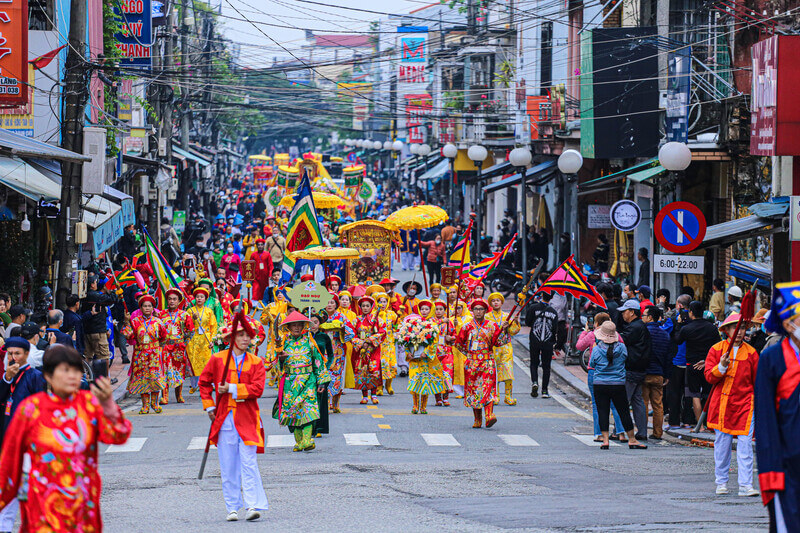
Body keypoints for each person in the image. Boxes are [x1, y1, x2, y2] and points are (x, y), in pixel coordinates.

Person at [0, 346, 131, 531]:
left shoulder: (89, 405)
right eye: (65, 370)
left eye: (76, 370)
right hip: (43, 499)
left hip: (81, 500)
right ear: (48, 376)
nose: (72, 376)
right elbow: (11, 458)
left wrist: (109, 406)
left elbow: (118, 435)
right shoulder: (31, 409)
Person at [199, 314, 269, 522]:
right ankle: (231, 507)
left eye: (248, 335)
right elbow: (204, 383)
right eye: (241, 335)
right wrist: (210, 405)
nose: (245, 339)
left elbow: (257, 389)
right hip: (224, 418)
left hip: (247, 418)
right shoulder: (218, 359)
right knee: (228, 465)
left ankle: (252, 505)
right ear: (231, 338)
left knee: (248, 462)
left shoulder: (257, 361)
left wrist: (231, 388)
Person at [755, 282, 800, 531]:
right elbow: (765, 420)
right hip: (788, 462)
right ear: (788, 323)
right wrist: (771, 469)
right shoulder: (772, 359)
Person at [704, 313, 759, 497]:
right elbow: (709, 377)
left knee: (745, 447)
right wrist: (721, 367)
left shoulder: (751, 353)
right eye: (735, 327)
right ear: (726, 330)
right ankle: (721, 482)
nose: (739, 331)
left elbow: (757, 381)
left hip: (745, 405)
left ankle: (746, 485)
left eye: (742, 327)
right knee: (722, 446)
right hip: (722, 405)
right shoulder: (716, 349)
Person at [0, 336, 47, 530]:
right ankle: (4, 527)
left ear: (27, 355)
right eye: (10, 354)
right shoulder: (5, 377)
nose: (13, 358)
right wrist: (6, 379)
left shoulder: (35, 376)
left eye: (17, 353)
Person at [273, 311, 331, 451]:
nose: (297, 328)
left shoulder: (309, 341)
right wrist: (281, 359)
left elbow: (318, 361)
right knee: (293, 412)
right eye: (294, 325)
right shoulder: (283, 343)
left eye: (300, 325)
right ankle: (299, 442)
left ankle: (306, 440)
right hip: (290, 382)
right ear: (289, 327)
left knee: (308, 409)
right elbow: (275, 365)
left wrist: (321, 381)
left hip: (308, 381)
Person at [449, 299, 510, 429]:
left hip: (487, 361)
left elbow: (498, 342)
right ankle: (477, 419)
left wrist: (504, 330)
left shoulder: (492, 326)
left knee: (488, 387)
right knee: (473, 389)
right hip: (471, 363)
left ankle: (489, 415)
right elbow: (459, 344)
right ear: (472, 311)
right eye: (476, 309)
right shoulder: (467, 327)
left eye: (481, 309)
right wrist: (470, 354)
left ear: (485, 311)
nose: (478, 312)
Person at [589, 321, 647, 449]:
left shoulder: (597, 349)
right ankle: (631, 439)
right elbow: (625, 359)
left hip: (600, 384)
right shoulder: (621, 348)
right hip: (618, 383)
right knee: (624, 411)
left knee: (602, 411)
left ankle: (605, 441)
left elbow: (592, 364)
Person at [576, 313, 626, 442]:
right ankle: (621, 433)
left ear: (597, 323)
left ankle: (599, 434)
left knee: (597, 405)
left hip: (596, 374)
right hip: (615, 374)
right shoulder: (616, 336)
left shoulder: (593, 335)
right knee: (616, 405)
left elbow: (579, 346)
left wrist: (585, 332)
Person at [674, 300, 721, 427]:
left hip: (691, 365)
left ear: (691, 313)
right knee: (708, 394)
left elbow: (677, 340)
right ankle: (710, 423)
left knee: (694, 394)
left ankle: (699, 425)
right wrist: (706, 361)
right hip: (707, 364)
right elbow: (718, 346)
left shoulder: (686, 329)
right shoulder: (712, 328)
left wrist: (678, 325)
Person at [122, 294, 168, 414]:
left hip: (154, 354)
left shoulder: (158, 322)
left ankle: (155, 403)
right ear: (141, 308)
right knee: (143, 379)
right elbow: (129, 335)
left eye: (149, 306)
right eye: (144, 306)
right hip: (140, 355)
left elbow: (164, 336)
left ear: (153, 308)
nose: (147, 308)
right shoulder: (135, 321)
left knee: (155, 378)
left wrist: (158, 349)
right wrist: (127, 322)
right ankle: (145, 405)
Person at [618, 298, 651, 441]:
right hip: (640, 369)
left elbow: (622, 340)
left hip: (631, 369)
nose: (622, 315)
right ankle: (642, 431)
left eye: (624, 312)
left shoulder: (634, 327)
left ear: (632, 312)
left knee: (623, 401)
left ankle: (619, 431)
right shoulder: (640, 326)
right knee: (637, 400)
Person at [406, 301, 446, 414]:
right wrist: (407, 352)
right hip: (414, 358)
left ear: (430, 310)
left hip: (426, 360)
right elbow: (406, 339)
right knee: (414, 380)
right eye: (422, 309)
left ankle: (423, 406)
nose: (424, 311)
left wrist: (427, 352)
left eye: (426, 309)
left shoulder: (433, 324)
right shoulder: (413, 323)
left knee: (424, 382)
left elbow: (435, 341)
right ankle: (415, 405)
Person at [160, 288, 194, 404]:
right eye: (170, 299)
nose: (172, 301)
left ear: (179, 301)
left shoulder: (184, 315)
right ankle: (165, 397)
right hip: (165, 347)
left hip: (179, 347)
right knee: (165, 371)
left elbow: (191, 331)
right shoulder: (161, 314)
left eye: (174, 299)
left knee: (178, 370)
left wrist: (185, 342)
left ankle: (178, 395)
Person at [641, 306, 670, 440]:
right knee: (658, 405)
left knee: (643, 403)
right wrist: (667, 374)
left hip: (644, 372)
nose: (643, 318)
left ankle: (642, 431)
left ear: (650, 317)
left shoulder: (643, 332)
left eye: (645, 315)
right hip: (658, 373)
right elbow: (668, 356)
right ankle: (658, 433)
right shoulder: (665, 334)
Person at [487, 292, 520, 405]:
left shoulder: (507, 316)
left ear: (501, 302)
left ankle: (508, 396)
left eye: (498, 300)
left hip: (506, 347)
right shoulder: (487, 317)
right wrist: (500, 328)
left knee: (507, 371)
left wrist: (514, 322)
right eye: (493, 301)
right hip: (493, 347)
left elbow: (513, 332)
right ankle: (494, 395)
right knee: (493, 371)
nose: (496, 302)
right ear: (491, 303)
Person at [323, 295, 354, 413]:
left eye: (332, 302)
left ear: (336, 304)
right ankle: (325, 403)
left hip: (337, 352)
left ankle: (335, 403)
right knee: (324, 376)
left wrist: (342, 328)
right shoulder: (321, 316)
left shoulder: (341, 317)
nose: (330, 304)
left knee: (336, 376)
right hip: (323, 351)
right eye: (327, 302)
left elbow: (351, 332)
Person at [351, 296, 384, 404]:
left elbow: (382, 332)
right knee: (362, 371)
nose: (365, 308)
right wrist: (361, 343)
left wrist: (370, 340)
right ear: (360, 307)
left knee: (373, 371)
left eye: (367, 306)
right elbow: (351, 334)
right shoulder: (356, 320)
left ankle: (374, 394)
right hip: (361, 351)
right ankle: (364, 395)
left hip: (373, 349)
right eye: (363, 306)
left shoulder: (377, 319)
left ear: (371, 307)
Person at [525, 292, 558, 398]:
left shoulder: (533, 307)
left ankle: (535, 382)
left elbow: (528, 322)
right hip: (548, 342)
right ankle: (544, 390)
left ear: (542, 295)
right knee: (546, 366)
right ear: (552, 297)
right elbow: (554, 329)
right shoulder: (553, 312)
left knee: (534, 363)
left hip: (534, 340)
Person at [187, 286, 219, 393]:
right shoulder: (190, 310)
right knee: (194, 361)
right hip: (193, 339)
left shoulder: (209, 311)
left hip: (206, 338)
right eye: (197, 297)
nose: (199, 299)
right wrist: (192, 318)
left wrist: (212, 340)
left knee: (207, 361)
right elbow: (186, 325)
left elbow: (213, 326)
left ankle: (209, 383)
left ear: (205, 299)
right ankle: (194, 385)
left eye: (202, 297)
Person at [309, 312, 333, 435]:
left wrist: (326, 367)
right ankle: (308, 426)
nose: (313, 325)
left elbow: (331, 354)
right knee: (308, 399)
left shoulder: (324, 337)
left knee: (321, 399)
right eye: (310, 322)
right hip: (307, 371)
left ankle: (319, 427)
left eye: (316, 322)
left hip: (321, 371)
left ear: (320, 324)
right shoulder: (303, 336)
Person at [432, 301, 454, 406]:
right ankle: (438, 398)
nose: (439, 311)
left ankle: (445, 397)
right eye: (437, 309)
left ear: (444, 311)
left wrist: (451, 338)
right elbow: (428, 330)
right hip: (435, 352)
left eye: (441, 309)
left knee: (447, 374)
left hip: (447, 351)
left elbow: (456, 335)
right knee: (436, 374)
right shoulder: (431, 322)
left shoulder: (449, 322)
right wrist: (441, 322)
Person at [375, 293, 398, 395]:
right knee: (380, 365)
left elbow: (396, 325)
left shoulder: (392, 314)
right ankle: (379, 387)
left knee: (391, 365)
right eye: (380, 301)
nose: (382, 304)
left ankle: (389, 385)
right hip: (378, 344)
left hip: (389, 343)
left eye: (384, 301)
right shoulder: (374, 314)